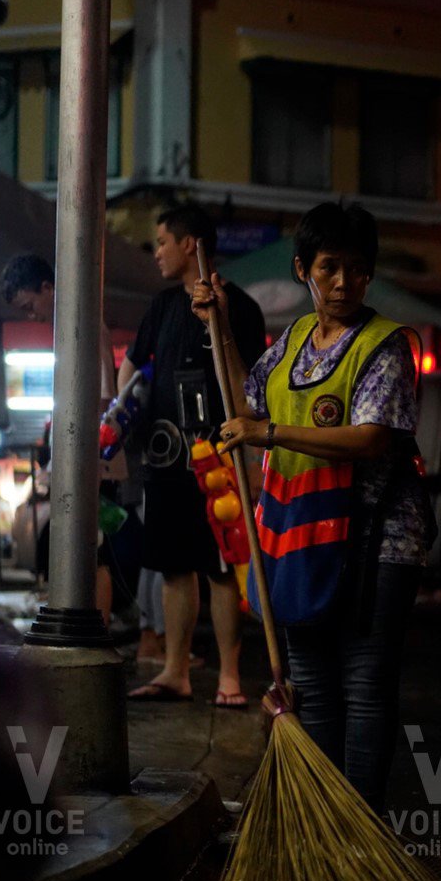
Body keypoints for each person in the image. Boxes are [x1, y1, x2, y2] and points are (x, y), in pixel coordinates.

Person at [204, 201, 434, 812]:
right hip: (301, 532)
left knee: (363, 683)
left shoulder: (386, 345)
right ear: (303, 269)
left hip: (377, 538)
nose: (342, 283)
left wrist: (269, 435)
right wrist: (221, 327)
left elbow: (371, 439)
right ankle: (325, 815)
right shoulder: (296, 339)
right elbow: (246, 405)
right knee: (309, 682)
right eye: (329, 267)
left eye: (358, 270)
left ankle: (360, 821)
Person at [120, 205, 266, 706]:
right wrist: (125, 413)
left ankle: (229, 677)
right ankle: (174, 671)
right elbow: (132, 367)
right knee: (174, 566)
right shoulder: (160, 306)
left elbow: (251, 386)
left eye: (162, 241)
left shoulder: (240, 306)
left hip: (219, 457)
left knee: (222, 566)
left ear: (190, 245)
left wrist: (217, 317)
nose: (156, 251)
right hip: (166, 455)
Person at [0, 253, 124, 629]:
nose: (31, 316)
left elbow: (104, 394)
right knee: (86, 545)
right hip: (84, 448)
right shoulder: (71, 326)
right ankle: (84, 623)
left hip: (95, 452)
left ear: (48, 288)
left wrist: (87, 435)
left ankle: (94, 629)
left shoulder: (84, 323)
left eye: (30, 304)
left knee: (95, 547)